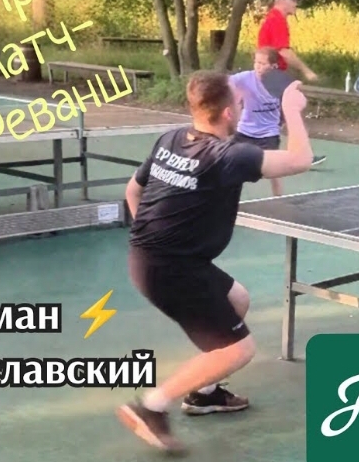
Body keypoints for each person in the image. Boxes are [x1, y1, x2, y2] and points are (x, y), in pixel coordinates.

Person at [116, 70, 315, 454]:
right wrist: (291, 109)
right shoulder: (228, 156)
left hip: (154, 258)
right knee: (239, 349)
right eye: (240, 103)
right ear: (227, 113)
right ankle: (151, 406)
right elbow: (300, 159)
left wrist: (150, 240)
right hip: (170, 269)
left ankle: (205, 393)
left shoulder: (171, 139)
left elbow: (132, 190)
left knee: (236, 299)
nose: (242, 108)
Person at [257, 0, 326, 166]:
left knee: (277, 114)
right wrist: (306, 70)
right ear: (282, 1)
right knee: (290, 110)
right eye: (293, 0)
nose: (296, 3)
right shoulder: (277, 20)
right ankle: (297, 156)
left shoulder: (274, 18)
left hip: (269, 72)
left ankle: (269, 154)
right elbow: (284, 51)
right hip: (271, 73)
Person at [230, 47, 286, 196]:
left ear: (273, 66)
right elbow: (224, 83)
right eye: (256, 62)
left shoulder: (280, 83)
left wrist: (283, 121)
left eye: (263, 64)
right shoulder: (245, 78)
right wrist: (233, 98)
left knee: (274, 171)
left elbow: (287, 103)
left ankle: (279, 200)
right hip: (244, 131)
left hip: (269, 133)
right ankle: (229, 199)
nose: (258, 67)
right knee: (231, 167)